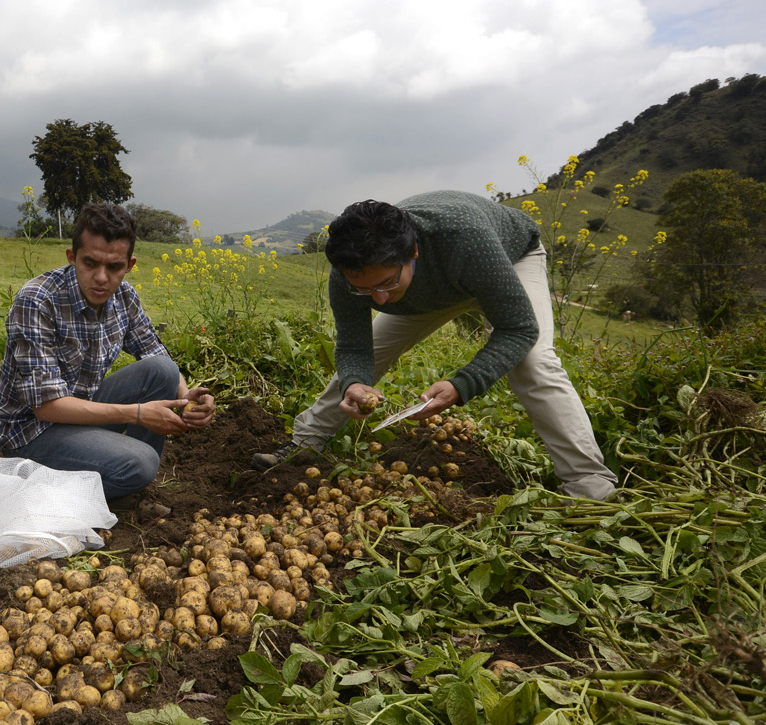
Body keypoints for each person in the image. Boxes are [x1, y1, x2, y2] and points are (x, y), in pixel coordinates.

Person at [253, 192, 616, 501]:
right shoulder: (351, 273)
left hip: (507, 260)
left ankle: (590, 485)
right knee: (372, 353)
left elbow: (518, 329)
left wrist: (463, 384)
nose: (378, 297)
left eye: (384, 283)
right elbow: (354, 345)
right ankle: (306, 442)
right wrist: (354, 382)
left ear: (412, 253)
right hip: (425, 290)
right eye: (365, 289)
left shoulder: (466, 240)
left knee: (533, 362)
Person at [0, 202, 215, 512]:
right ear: (72, 258)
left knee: (162, 370)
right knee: (142, 462)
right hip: (31, 434)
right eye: (90, 263)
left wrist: (186, 398)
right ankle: (48, 488)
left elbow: (155, 352)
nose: (101, 277)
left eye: (114, 267)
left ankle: (123, 485)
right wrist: (136, 413)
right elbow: (46, 407)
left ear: (129, 264)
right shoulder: (38, 300)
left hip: (80, 412)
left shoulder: (124, 297)